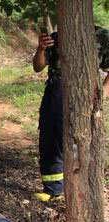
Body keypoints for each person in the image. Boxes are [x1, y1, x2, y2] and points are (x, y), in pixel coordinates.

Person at [32, 26, 109, 202]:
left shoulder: (102, 37)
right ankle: (53, 190)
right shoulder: (58, 36)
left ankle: (82, 192)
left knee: (79, 141)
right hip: (56, 91)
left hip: (84, 94)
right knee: (50, 139)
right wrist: (41, 48)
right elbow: (38, 67)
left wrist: (100, 97)